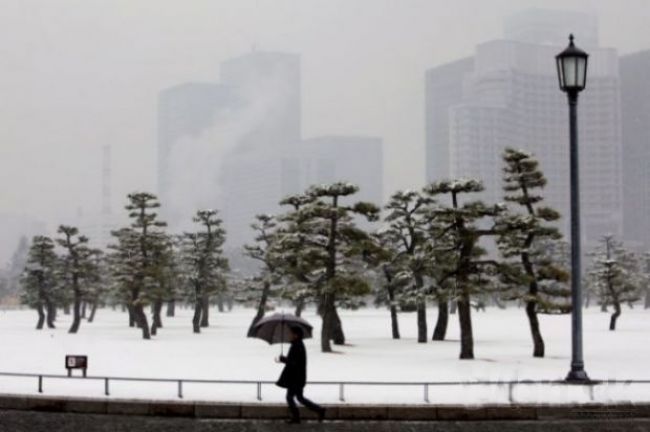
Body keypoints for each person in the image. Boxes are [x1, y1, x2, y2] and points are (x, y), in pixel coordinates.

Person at [276, 326, 326, 424]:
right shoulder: (296, 345)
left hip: (296, 378)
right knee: (300, 398)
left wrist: (284, 359)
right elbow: (293, 361)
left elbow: (294, 363)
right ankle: (320, 410)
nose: (289, 335)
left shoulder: (297, 346)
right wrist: (284, 360)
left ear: (296, 335)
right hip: (297, 377)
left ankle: (296, 418)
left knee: (290, 397)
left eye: (291, 333)